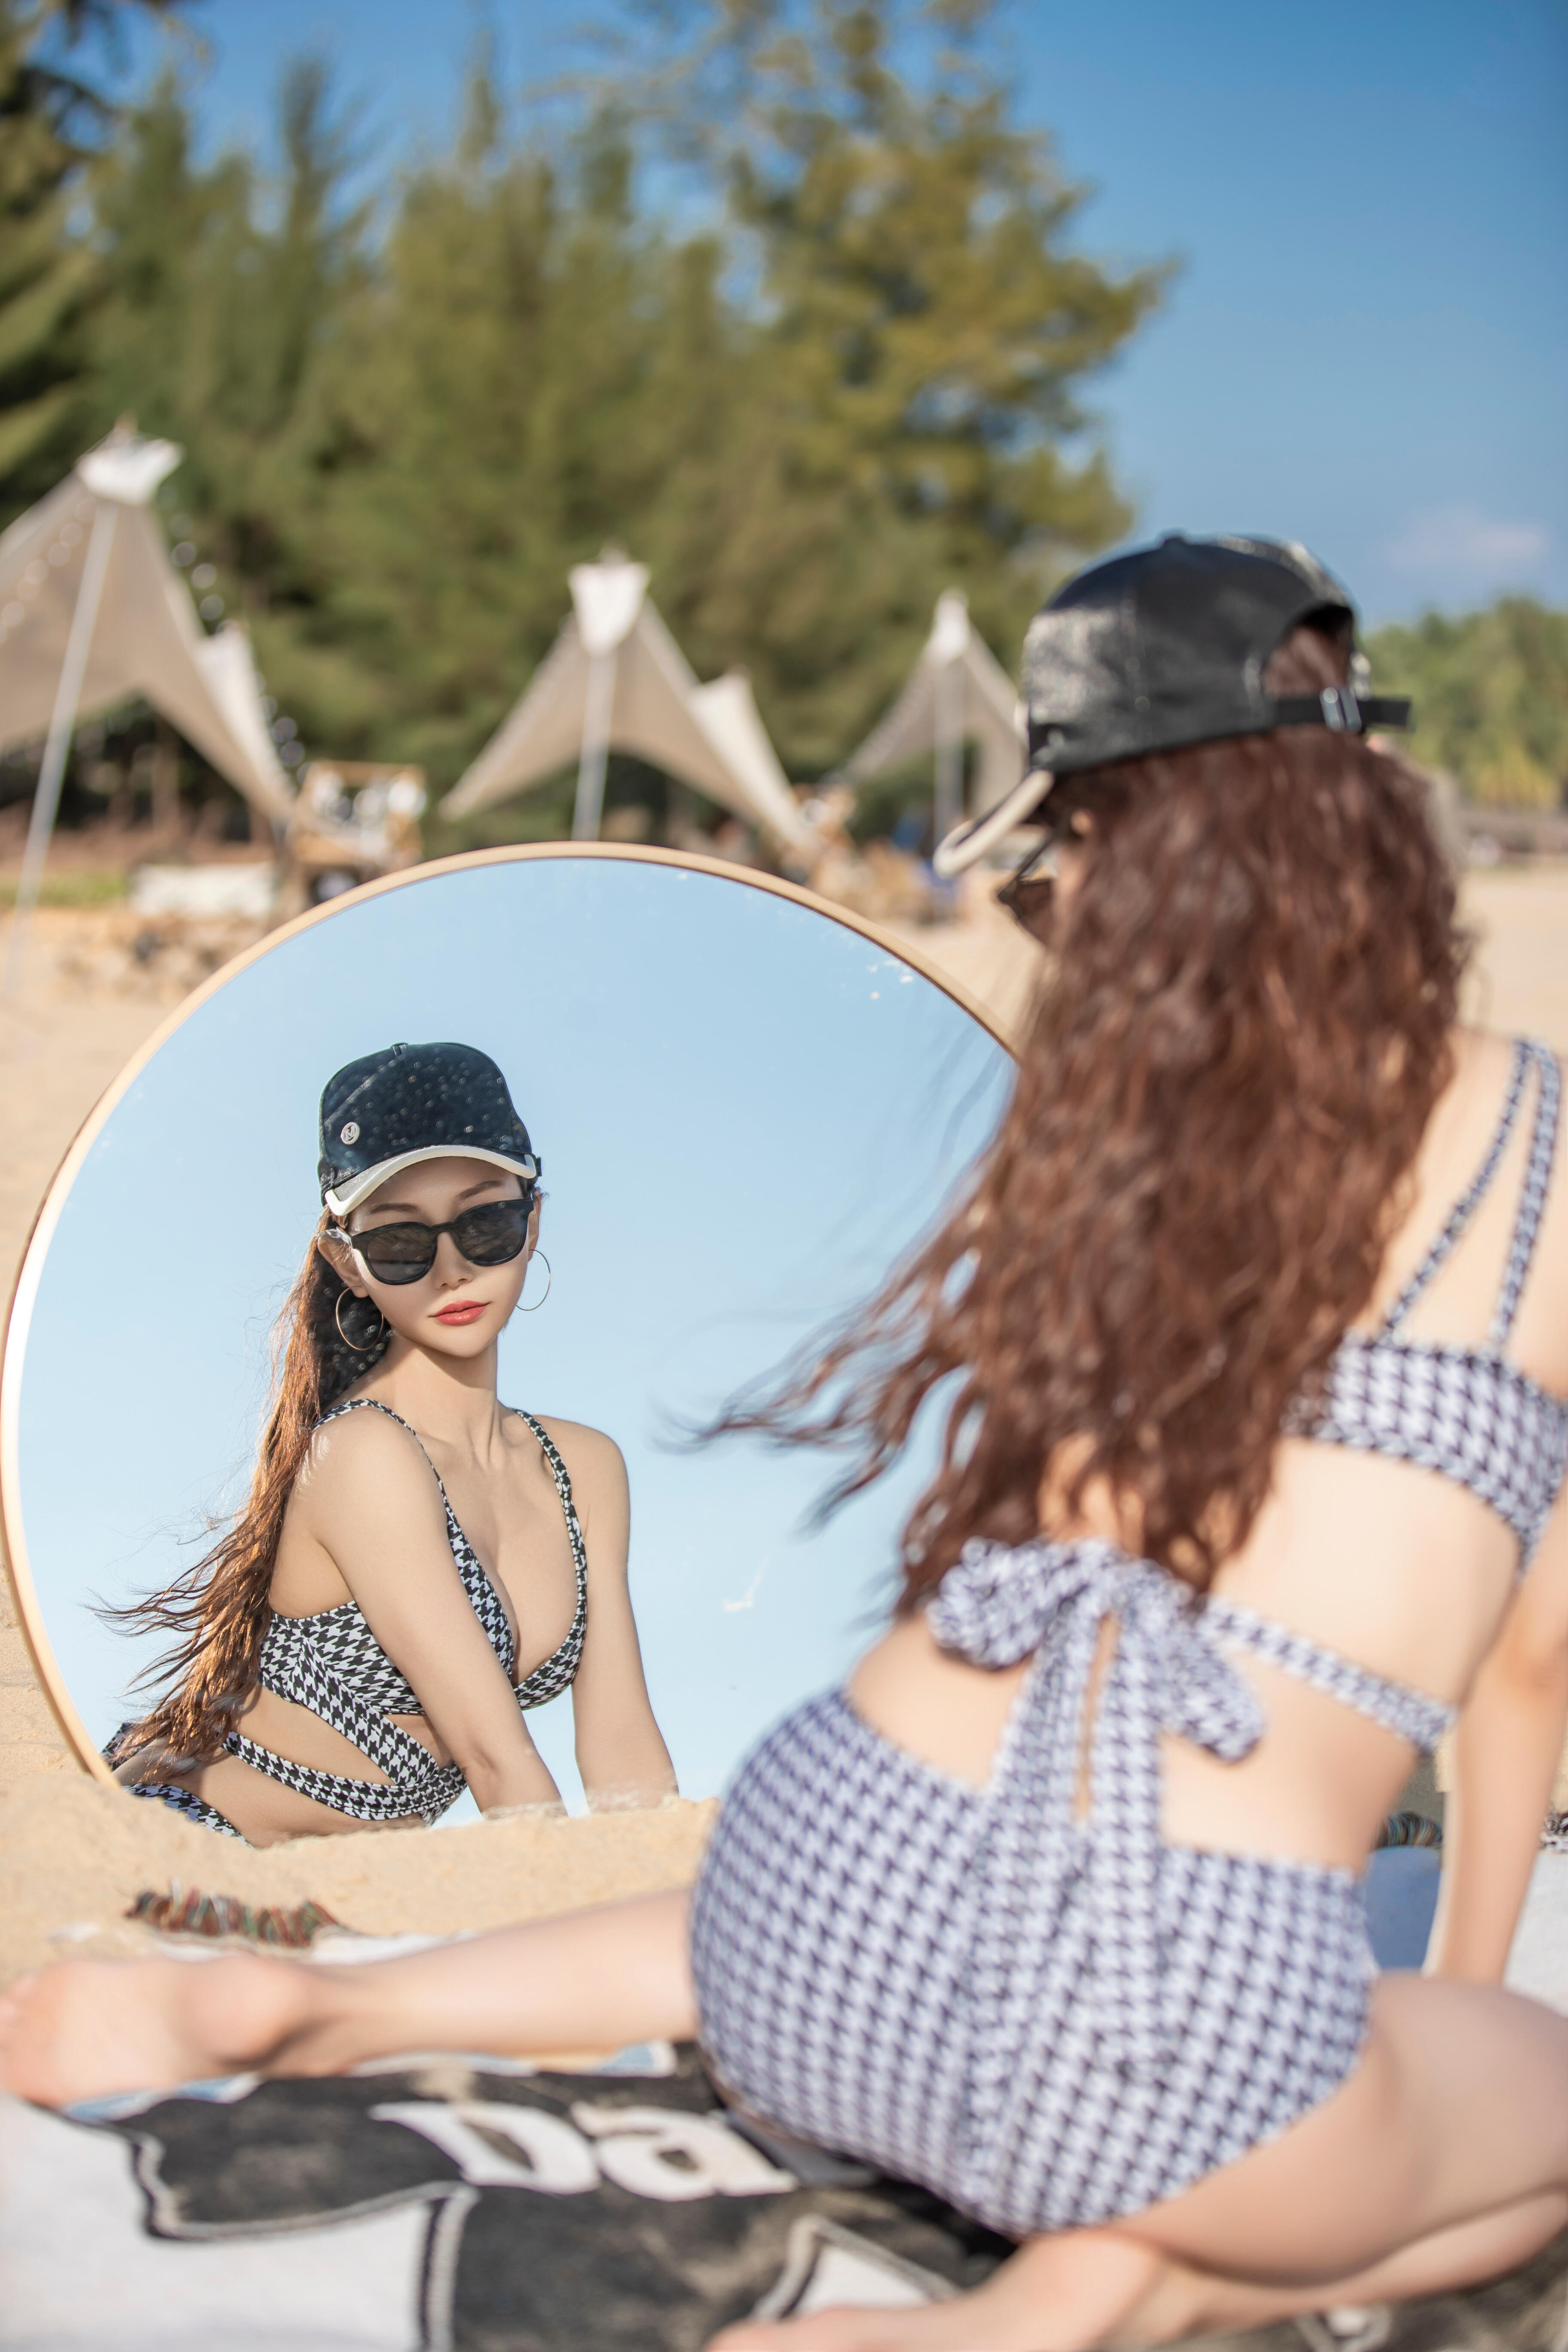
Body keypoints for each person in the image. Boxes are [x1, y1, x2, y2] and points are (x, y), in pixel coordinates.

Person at [6, 538, 1568, 2352]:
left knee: (792, 1894)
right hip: (1162, 2040)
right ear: (1360, 799)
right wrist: (1443, 2012)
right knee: (1531, 2096)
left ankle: (325, 2011)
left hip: (813, 1900)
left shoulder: (1101, 1159)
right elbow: (1527, 1666)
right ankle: (1051, 2315)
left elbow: (653, 1762)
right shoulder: (1529, 1149)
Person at [102, 1039, 676, 1843]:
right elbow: (496, 1760)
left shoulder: (585, 1467)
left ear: (534, 1218)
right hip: (197, 1842)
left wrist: (662, 1877)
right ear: (348, 1263)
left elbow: (624, 1752)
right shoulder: (361, 1455)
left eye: (485, 1223)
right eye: (402, 1242)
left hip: (357, 1888)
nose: (451, 1270)